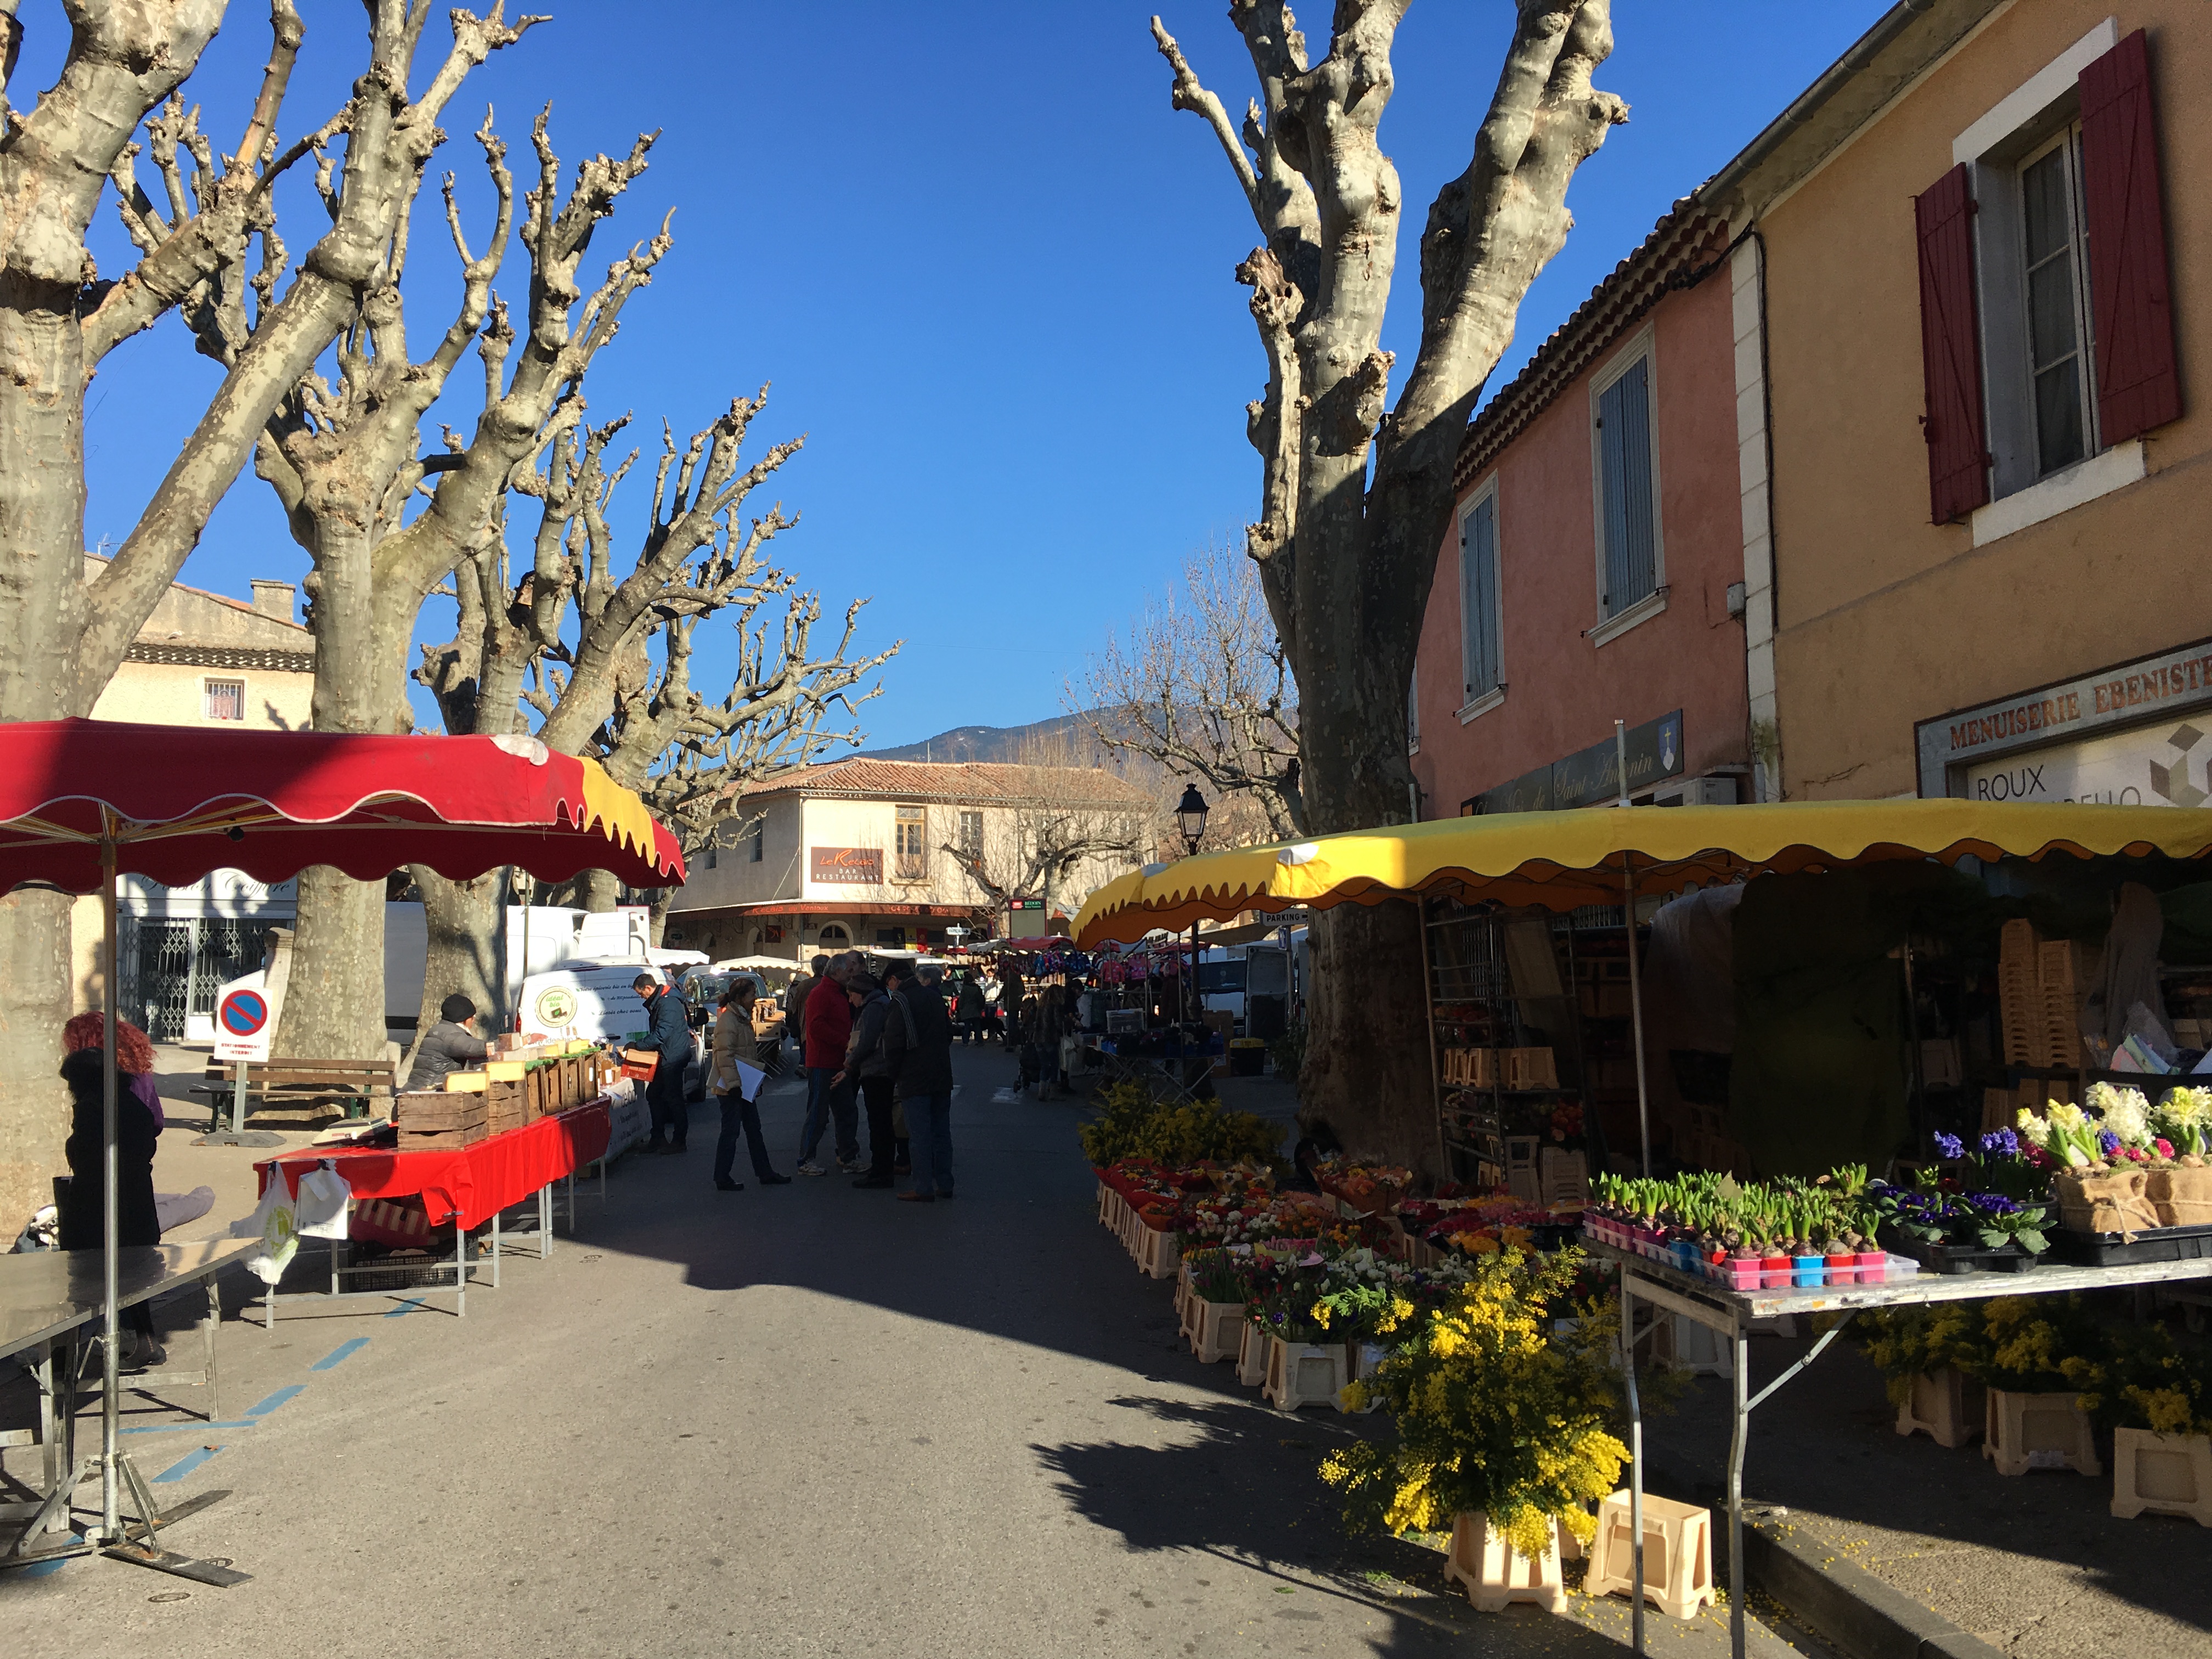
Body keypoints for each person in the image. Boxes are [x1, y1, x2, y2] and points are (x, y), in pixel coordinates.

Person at [58, 1013, 165, 1367]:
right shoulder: (134, 1101)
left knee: (80, 1274)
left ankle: (65, 1352)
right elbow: (152, 1131)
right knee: (133, 1269)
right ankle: (145, 1338)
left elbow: (82, 1156)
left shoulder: (93, 1110)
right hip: (138, 1204)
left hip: (98, 1209)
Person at [882, 958, 956, 1203]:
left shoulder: (900, 1002)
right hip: (941, 1075)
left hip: (914, 1078)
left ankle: (923, 1187)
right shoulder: (934, 998)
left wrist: (893, 1075)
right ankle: (944, 1183)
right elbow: (948, 1033)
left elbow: (893, 1044)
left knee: (919, 1134)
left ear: (894, 980)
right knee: (941, 1132)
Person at [709, 982, 789, 1192]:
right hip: (731, 1087)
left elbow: (745, 1054)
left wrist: (752, 1082)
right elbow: (724, 1055)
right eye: (753, 994)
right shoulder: (730, 1019)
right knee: (731, 1132)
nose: (756, 998)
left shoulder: (740, 1018)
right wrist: (734, 1085)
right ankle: (723, 1177)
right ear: (741, 996)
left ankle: (765, 1172)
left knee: (753, 1130)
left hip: (741, 1083)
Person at [798, 952, 862, 1175]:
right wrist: (845, 1041)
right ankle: (806, 1159)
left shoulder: (837, 993)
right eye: (848, 971)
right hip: (822, 1062)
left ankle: (847, 1155)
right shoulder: (821, 994)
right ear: (836, 971)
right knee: (818, 1112)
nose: (851, 974)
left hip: (837, 1062)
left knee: (846, 1110)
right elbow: (816, 1026)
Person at [835, 970, 897, 1188]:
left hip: (876, 1070)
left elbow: (868, 1040)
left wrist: (850, 1062)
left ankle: (881, 1171)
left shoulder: (872, 1008)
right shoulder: (879, 1004)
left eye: (852, 995)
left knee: (879, 1123)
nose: (850, 1000)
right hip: (879, 1069)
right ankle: (883, 1167)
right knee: (882, 1122)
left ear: (860, 993)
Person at [634, 971, 696, 1154]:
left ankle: (678, 1141)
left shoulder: (667, 1003)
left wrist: (638, 1046)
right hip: (668, 1054)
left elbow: (662, 1033)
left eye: (641, 993)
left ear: (648, 988)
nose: (641, 997)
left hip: (673, 1056)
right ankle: (658, 1138)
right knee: (654, 1094)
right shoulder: (663, 1000)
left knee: (674, 1098)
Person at [404, 992, 492, 1091]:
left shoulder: (438, 1029)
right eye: (472, 1017)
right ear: (464, 1019)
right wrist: (504, 1043)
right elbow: (474, 1047)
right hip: (429, 1092)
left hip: (415, 1088)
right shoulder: (451, 1036)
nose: (474, 1020)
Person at [785, 955, 825, 1064]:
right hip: (824, 1028)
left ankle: (804, 1066)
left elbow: (793, 1007)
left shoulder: (804, 986)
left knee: (808, 1055)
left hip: (805, 1026)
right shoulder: (829, 984)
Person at [953, 972, 986, 1044]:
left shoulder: (965, 989)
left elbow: (962, 1000)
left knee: (967, 1026)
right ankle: (980, 1040)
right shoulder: (977, 988)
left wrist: (960, 1008)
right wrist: (981, 1008)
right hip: (976, 1009)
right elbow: (981, 999)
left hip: (966, 1009)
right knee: (977, 1026)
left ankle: (966, 1041)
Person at [999, 962, 1025, 1047]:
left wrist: (998, 998)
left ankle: (1010, 1041)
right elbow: (1022, 991)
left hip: (1011, 1003)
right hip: (1017, 1004)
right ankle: (1015, 1040)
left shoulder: (1010, 979)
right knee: (1014, 1022)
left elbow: (1004, 990)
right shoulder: (1018, 979)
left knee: (1011, 1023)